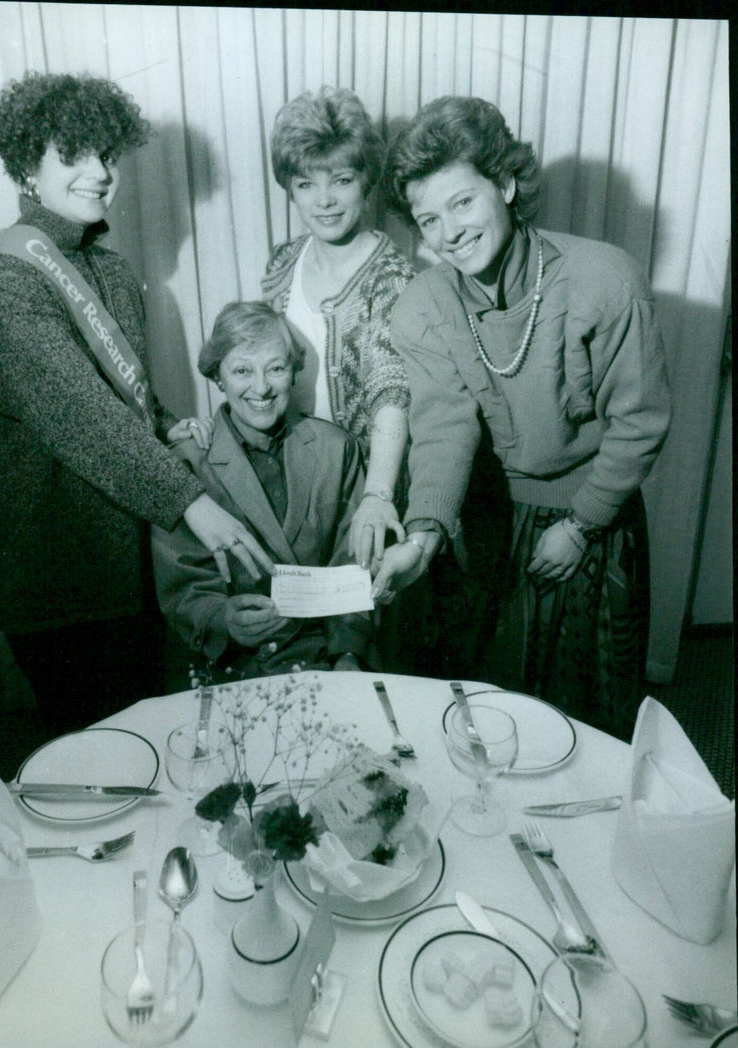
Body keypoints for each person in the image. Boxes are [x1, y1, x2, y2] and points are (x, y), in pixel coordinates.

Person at [0, 71, 274, 737]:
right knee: (96, 759)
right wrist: (193, 502)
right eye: (72, 155)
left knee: (144, 742)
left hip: (126, 562)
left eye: (106, 155)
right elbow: (81, 415)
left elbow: (122, 399)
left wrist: (166, 425)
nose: (100, 173)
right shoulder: (3, 277)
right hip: (57, 577)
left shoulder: (105, 268)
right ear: (25, 167)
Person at [373, 96, 671, 738]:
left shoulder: (604, 278)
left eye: (461, 203)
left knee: (578, 721)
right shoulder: (422, 305)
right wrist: (425, 535)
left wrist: (583, 524)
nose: (448, 232)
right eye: (428, 219)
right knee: (477, 720)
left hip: (589, 517)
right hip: (479, 521)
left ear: (505, 185)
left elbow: (639, 422)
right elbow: (444, 431)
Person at [262, 86, 432, 672]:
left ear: (367, 181)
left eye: (340, 179)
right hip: (299, 477)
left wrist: (376, 497)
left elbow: (392, 388)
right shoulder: (282, 261)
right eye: (306, 183)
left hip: (367, 483)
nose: (324, 200)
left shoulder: (395, 275)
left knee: (364, 653)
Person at [151, 301, 375, 682]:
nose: (261, 388)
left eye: (275, 368)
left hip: (324, 661)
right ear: (217, 377)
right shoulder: (186, 462)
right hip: (230, 668)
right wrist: (221, 619)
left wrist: (349, 653)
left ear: (293, 373)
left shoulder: (336, 449)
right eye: (242, 370)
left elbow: (351, 564)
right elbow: (181, 584)